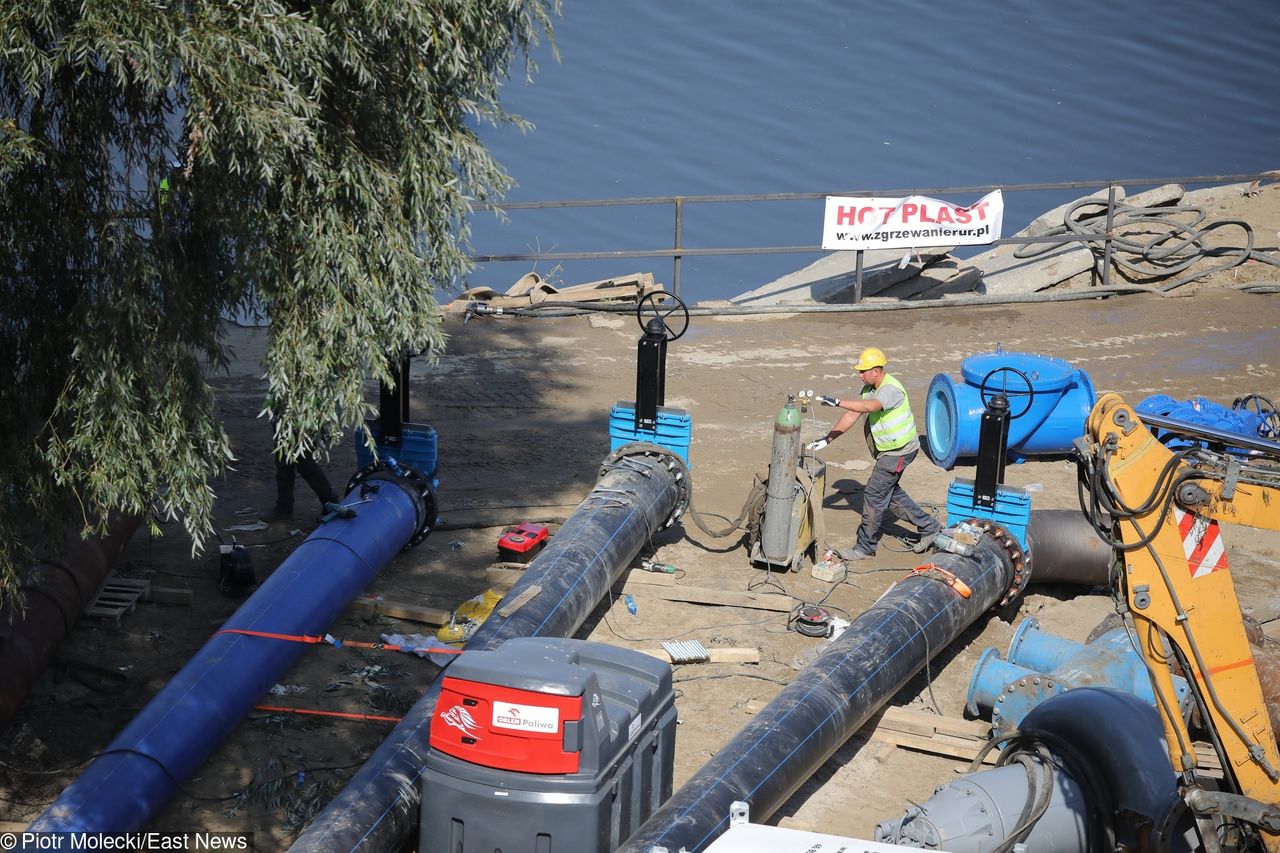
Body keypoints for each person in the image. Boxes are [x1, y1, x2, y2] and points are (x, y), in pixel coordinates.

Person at [806, 346, 941, 559]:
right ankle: (930, 528)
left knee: (873, 496)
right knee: (890, 493)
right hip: (890, 452)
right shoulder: (869, 388)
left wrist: (837, 401)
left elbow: (870, 407)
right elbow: (854, 414)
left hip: (898, 452)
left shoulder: (890, 389)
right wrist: (827, 439)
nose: (860, 375)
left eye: (863, 371)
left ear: (876, 371)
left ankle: (865, 548)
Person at [272, 421, 339, 521]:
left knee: (304, 462)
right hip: (284, 418)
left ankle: (330, 500)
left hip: (302, 419)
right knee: (284, 462)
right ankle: (284, 506)